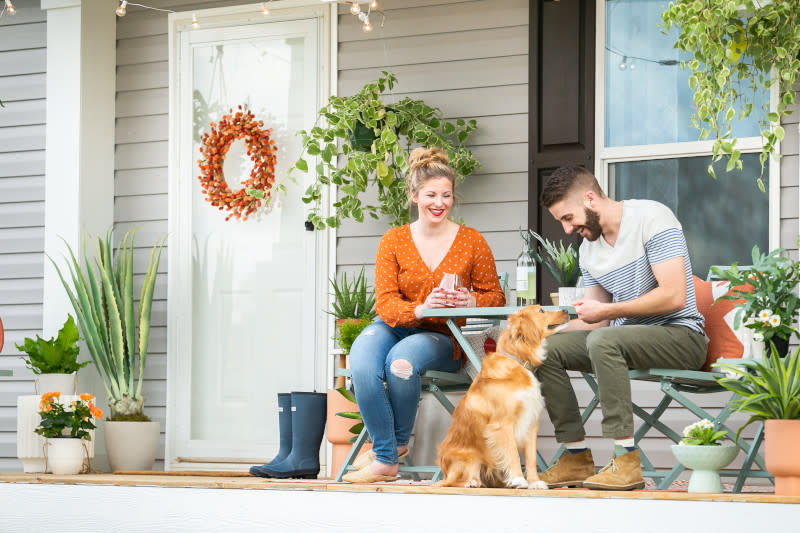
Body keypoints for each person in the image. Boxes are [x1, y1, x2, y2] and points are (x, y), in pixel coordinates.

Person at [536, 165, 707, 491]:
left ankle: (626, 460)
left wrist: (610, 311)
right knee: (544, 350)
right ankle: (575, 456)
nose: (567, 229)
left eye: (568, 218)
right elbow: (596, 319)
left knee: (604, 341)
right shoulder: (589, 251)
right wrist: (548, 330)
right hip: (623, 338)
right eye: (562, 221)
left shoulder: (652, 219)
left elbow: (673, 295)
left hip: (681, 335)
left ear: (590, 198)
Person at [342, 147, 506, 483]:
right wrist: (420, 307)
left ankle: (389, 453)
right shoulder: (393, 241)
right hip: (394, 325)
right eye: (431, 194)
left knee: (401, 362)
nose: (439, 202)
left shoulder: (472, 242)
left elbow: (496, 297)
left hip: (442, 337)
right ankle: (389, 456)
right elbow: (386, 304)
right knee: (360, 363)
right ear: (414, 195)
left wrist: (469, 301)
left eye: (446, 195)